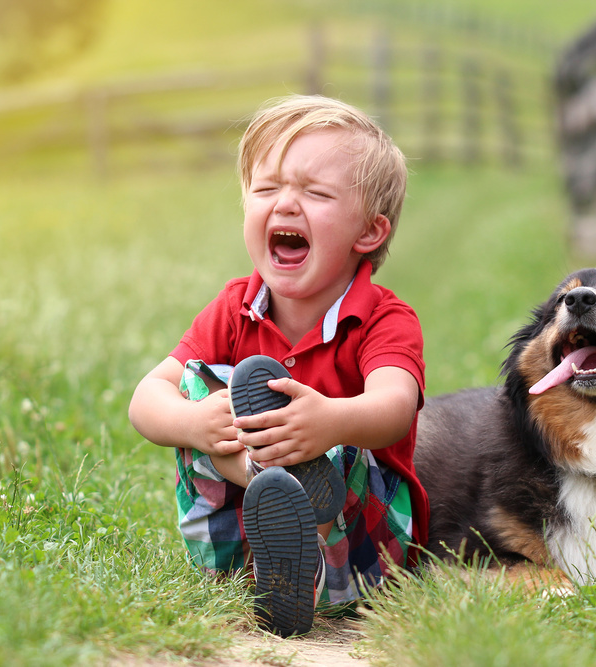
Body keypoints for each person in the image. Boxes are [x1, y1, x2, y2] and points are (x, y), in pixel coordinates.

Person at [128, 94, 427, 638]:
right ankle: (269, 545)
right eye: (267, 188)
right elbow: (146, 398)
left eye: (315, 193)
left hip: (360, 557)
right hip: (235, 565)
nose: (286, 204)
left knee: (337, 440)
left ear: (369, 232)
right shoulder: (233, 306)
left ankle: (303, 483)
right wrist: (195, 424)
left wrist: (330, 421)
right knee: (197, 390)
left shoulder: (385, 318)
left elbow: (395, 408)